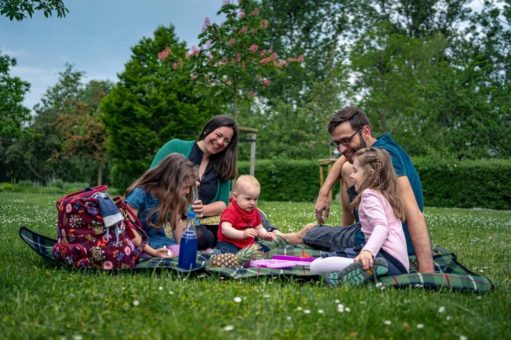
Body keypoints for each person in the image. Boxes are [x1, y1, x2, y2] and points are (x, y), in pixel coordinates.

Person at [283, 106, 434, 273]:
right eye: (337, 143)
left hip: (384, 242)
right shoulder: (377, 151)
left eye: (346, 140)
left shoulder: (388, 158)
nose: (341, 148)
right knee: (348, 167)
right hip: (382, 231)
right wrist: (324, 191)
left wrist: (427, 269)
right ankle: (341, 233)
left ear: (365, 131)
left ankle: (302, 235)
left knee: (311, 232)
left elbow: (414, 213)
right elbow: (345, 159)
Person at [310, 148, 409, 277]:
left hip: (383, 257)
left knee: (317, 265)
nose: (351, 175)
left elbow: (381, 226)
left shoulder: (369, 195)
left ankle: (366, 268)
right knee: (339, 258)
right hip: (400, 266)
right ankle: (361, 272)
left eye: (355, 171)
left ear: (370, 174)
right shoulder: (385, 195)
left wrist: (368, 251)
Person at [150, 115, 238, 250]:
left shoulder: (223, 164)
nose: (220, 142)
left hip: (201, 221)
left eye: (226, 140)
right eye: (218, 135)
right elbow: (151, 182)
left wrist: (202, 209)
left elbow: (222, 203)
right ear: (207, 130)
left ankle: (272, 233)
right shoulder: (176, 146)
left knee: (242, 220)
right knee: (201, 237)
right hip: (168, 217)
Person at [125, 153, 198, 258]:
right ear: (171, 182)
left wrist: (185, 248)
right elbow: (128, 229)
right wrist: (153, 252)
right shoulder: (139, 194)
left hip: (157, 241)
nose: (187, 191)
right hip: (137, 242)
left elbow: (176, 223)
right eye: (186, 187)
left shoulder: (170, 197)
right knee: (138, 254)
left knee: (180, 251)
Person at [216, 175, 276, 254]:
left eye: (255, 199)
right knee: (232, 255)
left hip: (247, 245)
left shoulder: (254, 212)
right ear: (235, 196)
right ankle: (217, 252)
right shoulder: (231, 211)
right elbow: (225, 230)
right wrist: (243, 234)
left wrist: (265, 235)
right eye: (248, 199)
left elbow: (259, 227)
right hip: (229, 243)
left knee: (262, 250)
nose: (252, 203)